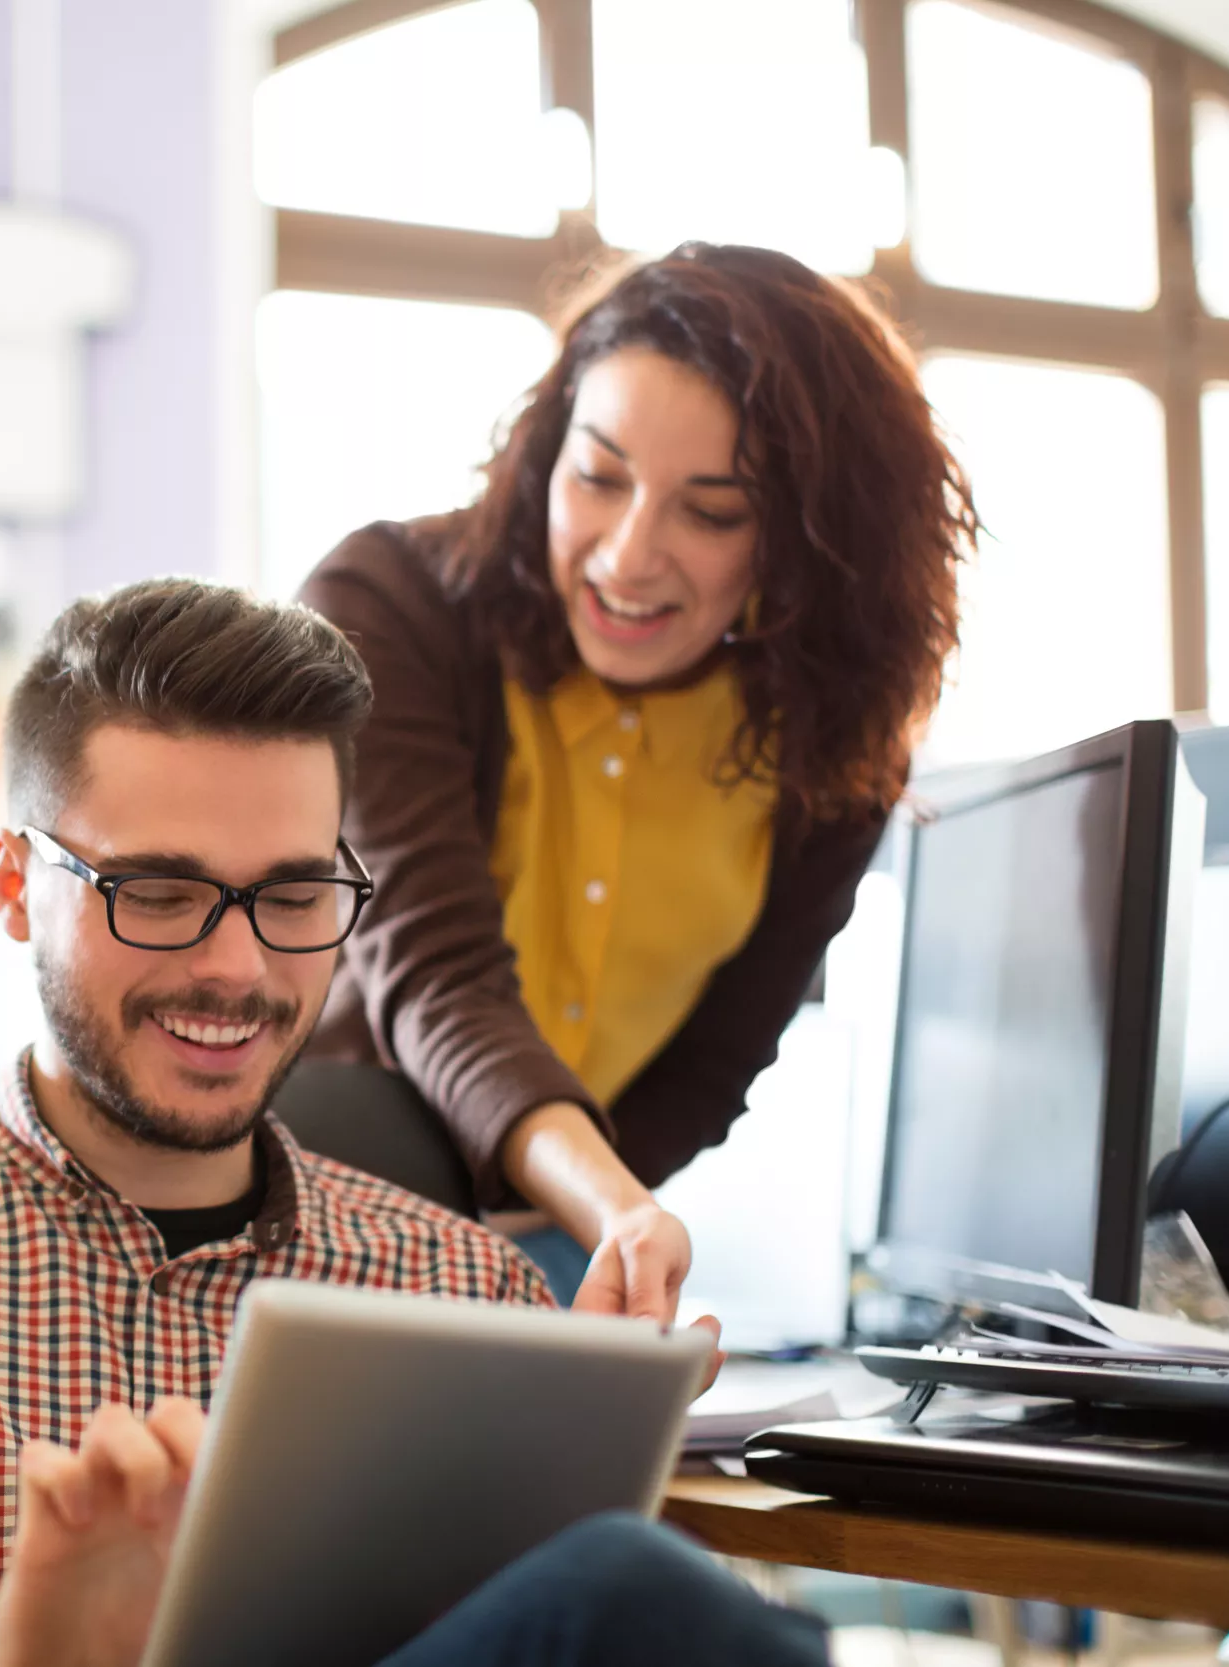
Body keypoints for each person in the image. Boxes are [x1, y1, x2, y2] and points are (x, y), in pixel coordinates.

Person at [0, 579, 825, 1667]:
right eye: (156, 892)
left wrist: (584, 1453)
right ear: (16, 887)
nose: (236, 969)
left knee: (633, 1586)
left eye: (292, 895)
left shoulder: (464, 1288)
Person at [300, 243, 976, 1319]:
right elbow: (435, 978)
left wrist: (583, 1223)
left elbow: (712, 1067)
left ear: (811, 542)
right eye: (599, 476)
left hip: (560, 1243)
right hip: (318, 1213)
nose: (625, 557)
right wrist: (611, 1206)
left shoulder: (831, 749)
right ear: (546, 452)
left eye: (711, 511)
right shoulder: (387, 606)